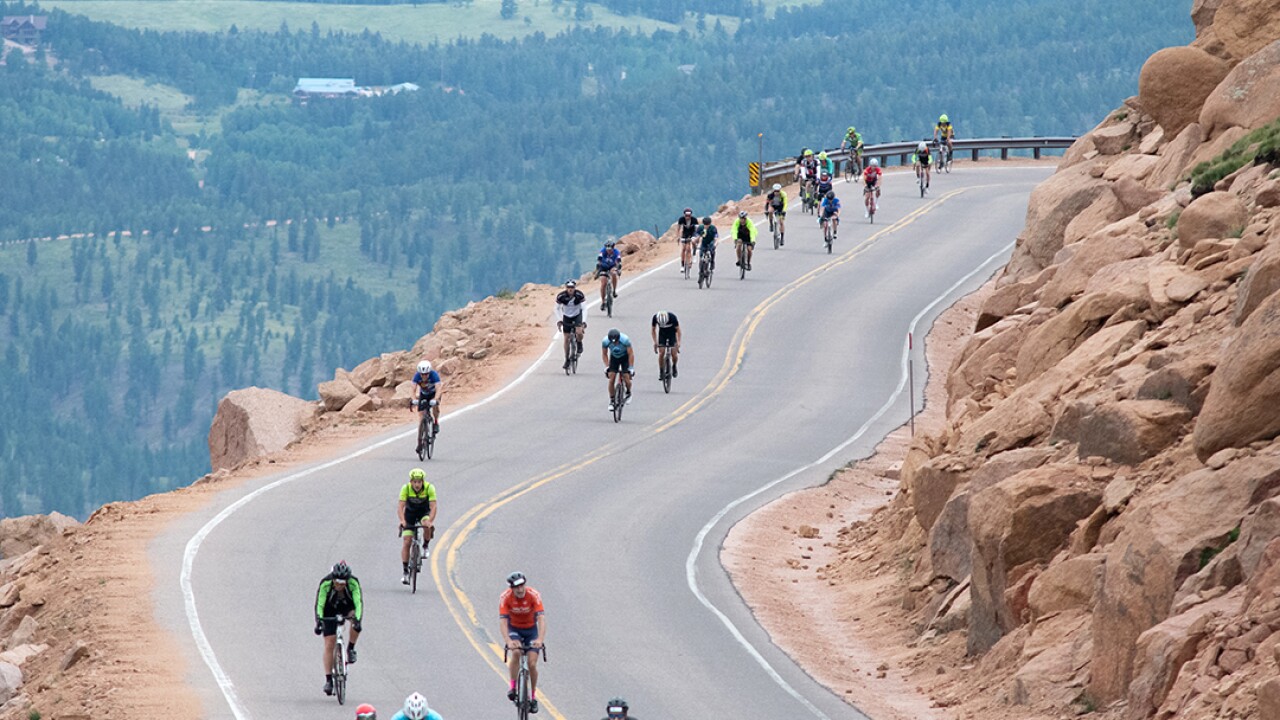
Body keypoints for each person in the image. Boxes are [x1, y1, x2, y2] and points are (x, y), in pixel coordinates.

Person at [314, 561, 363, 696]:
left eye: (343, 583)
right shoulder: (325, 583)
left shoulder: (353, 583)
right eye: (337, 583)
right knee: (329, 643)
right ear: (333, 579)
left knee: (355, 621)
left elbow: (358, 603)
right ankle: (329, 680)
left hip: (347, 606)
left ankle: (351, 648)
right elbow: (320, 604)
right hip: (329, 609)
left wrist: (357, 621)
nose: (340, 586)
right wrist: (318, 621)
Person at [500, 571, 546, 714]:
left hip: (531, 630)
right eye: (516, 588)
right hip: (515, 629)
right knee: (516, 652)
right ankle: (513, 686)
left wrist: (540, 640)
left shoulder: (534, 595)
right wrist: (508, 640)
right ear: (511, 588)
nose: (520, 590)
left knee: (532, 663)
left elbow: (541, 620)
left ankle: (532, 697)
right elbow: (503, 622)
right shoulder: (505, 597)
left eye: (522, 586)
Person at [398, 468, 437, 584]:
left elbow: (434, 507)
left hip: (423, 514)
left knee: (426, 525)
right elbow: (400, 507)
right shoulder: (405, 488)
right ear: (411, 482)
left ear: (423, 482)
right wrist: (402, 520)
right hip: (410, 514)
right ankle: (405, 572)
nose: (417, 484)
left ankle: (425, 546)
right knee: (407, 541)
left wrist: (430, 521)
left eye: (419, 482)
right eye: (414, 482)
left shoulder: (430, 488)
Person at [555, 280, 587, 370]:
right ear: (566, 288)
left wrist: (584, 321)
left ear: (574, 288)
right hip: (566, 317)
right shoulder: (561, 296)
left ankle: (579, 343)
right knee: (566, 338)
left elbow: (584, 308)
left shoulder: (579, 295)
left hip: (577, 315)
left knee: (579, 332)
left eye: (572, 288)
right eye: (568, 288)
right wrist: (559, 320)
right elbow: (556, 308)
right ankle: (567, 359)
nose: (570, 289)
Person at [602, 328, 634, 411]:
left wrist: (631, 368)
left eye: (616, 341)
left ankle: (628, 392)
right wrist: (607, 366)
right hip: (614, 358)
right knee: (611, 378)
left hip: (625, 358)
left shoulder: (625, 340)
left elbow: (631, 354)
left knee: (626, 377)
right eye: (613, 342)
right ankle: (612, 400)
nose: (614, 343)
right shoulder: (605, 341)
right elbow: (604, 354)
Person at [410, 359, 443, 439]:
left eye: (426, 374)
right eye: (422, 374)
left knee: (435, 406)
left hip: (434, 394)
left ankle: (435, 422)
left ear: (429, 372)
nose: (424, 376)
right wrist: (413, 399)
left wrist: (435, 399)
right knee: (421, 415)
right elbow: (412, 389)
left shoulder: (434, 375)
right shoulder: (417, 376)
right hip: (424, 394)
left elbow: (438, 388)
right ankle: (420, 440)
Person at [651, 311, 681, 379]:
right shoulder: (655, 318)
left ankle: (674, 365)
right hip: (662, 334)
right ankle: (661, 371)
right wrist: (655, 342)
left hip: (672, 334)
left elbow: (678, 331)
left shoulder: (672, 317)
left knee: (674, 353)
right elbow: (653, 330)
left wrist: (678, 342)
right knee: (661, 353)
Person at [676, 208, 698, 275]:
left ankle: (694, 254)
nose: (687, 217)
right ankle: (682, 265)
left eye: (689, 215)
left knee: (691, 245)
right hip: (685, 233)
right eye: (686, 215)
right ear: (684, 215)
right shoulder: (681, 219)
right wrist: (678, 237)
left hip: (692, 233)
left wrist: (696, 238)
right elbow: (678, 229)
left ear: (691, 215)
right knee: (683, 249)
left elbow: (697, 229)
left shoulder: (694, 220)